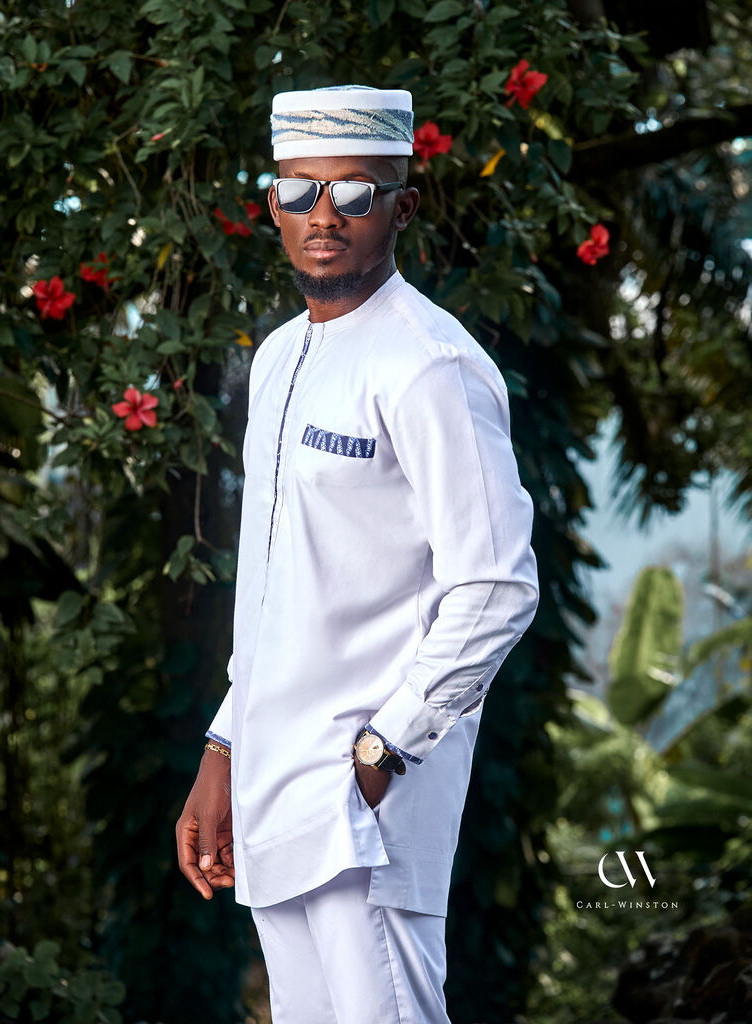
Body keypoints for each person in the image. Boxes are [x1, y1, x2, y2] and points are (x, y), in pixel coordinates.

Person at [176, 84, 540, 1024]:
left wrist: (385, 748)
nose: (323, 216)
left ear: (402, 206)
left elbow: (496, 586)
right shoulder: (279, 356)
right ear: (271, 205)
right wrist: (224, 744)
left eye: (354, 192)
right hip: (272, 791)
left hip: (364, 807)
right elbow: (279, 589)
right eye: (298, 192)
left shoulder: (430, 366)